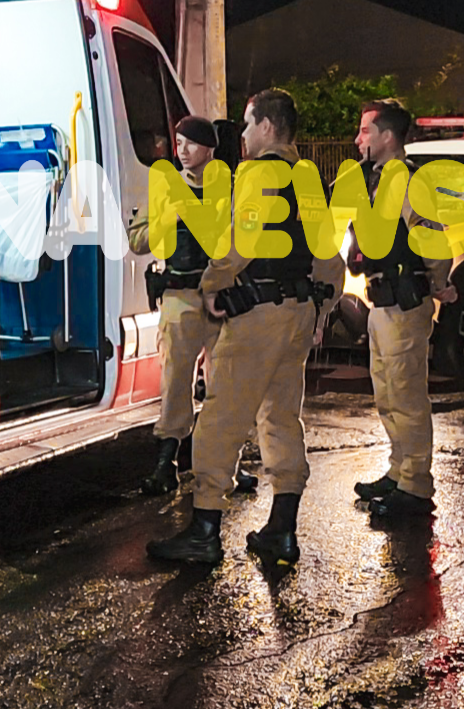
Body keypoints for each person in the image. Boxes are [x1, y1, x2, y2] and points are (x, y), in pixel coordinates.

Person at [147, 89, 344, 566]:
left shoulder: (258, 173)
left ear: (268, 127)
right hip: (297, 315)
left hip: (257, 316)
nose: (244, 134)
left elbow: (239, 243)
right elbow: (329, 258)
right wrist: (320, 311)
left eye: (249, 124)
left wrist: (212, 285)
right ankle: (282, 529)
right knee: (281, 419)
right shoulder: (307, 177)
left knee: (219, 421)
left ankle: (204, 532)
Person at [128, 116, 257, 495]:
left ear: (210, 149)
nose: (182, 150)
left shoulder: (229, 191)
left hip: (222, 301)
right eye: (179, 142)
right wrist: (169, 218)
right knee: (174, 384)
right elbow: (137, 240)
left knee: (225, 386)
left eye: (190, 143)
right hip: (180, 297)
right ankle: (165, 464)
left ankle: (227, 465)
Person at [348, 99, 457, 519]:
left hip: (405, 303)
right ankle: (399, 471)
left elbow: (433, 241)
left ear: (388, 136)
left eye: (365, 131)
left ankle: (415, 486)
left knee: (407, 396)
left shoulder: (408, 183)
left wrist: (439, 285)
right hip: (382, 302)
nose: (357, 139)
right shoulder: (375, 181)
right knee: (387, 394)